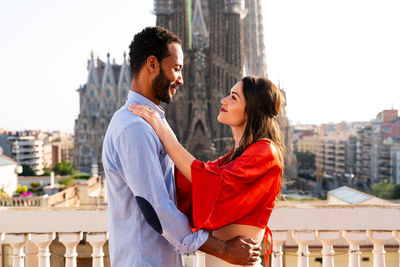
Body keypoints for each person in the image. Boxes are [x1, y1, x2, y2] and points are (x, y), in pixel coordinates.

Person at [102, 26, 262, 267]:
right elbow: (156, 209)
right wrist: (225, 250)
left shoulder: (150, 121)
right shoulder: (134, 127)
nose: (181, 79)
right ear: (152, 64)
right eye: (176, 69)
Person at [129, 75, 284, 266]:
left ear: (252, 110)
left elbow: (209, 181)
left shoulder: (266, 152)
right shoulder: (234, 156)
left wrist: (163, 132)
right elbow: (190, 183)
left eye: (234, 97)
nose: (223, 100)